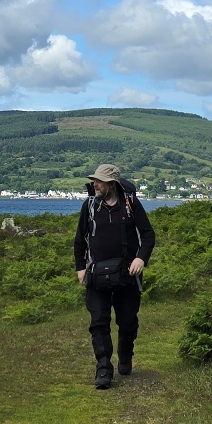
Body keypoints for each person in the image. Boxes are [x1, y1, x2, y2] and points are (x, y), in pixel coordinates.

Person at [73, 163, 154, 389]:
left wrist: (141, 259)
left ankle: (125, 354)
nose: (94, 184)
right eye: (94, 181)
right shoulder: (89, 206)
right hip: (96, 276)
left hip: (127, 276)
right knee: (98, 323)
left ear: (112, 184)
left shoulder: (130, 204)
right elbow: (80, 239)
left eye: (99, 181)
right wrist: (81, 268)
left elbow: (148, 236)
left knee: (127, 323)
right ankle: (103, 369)